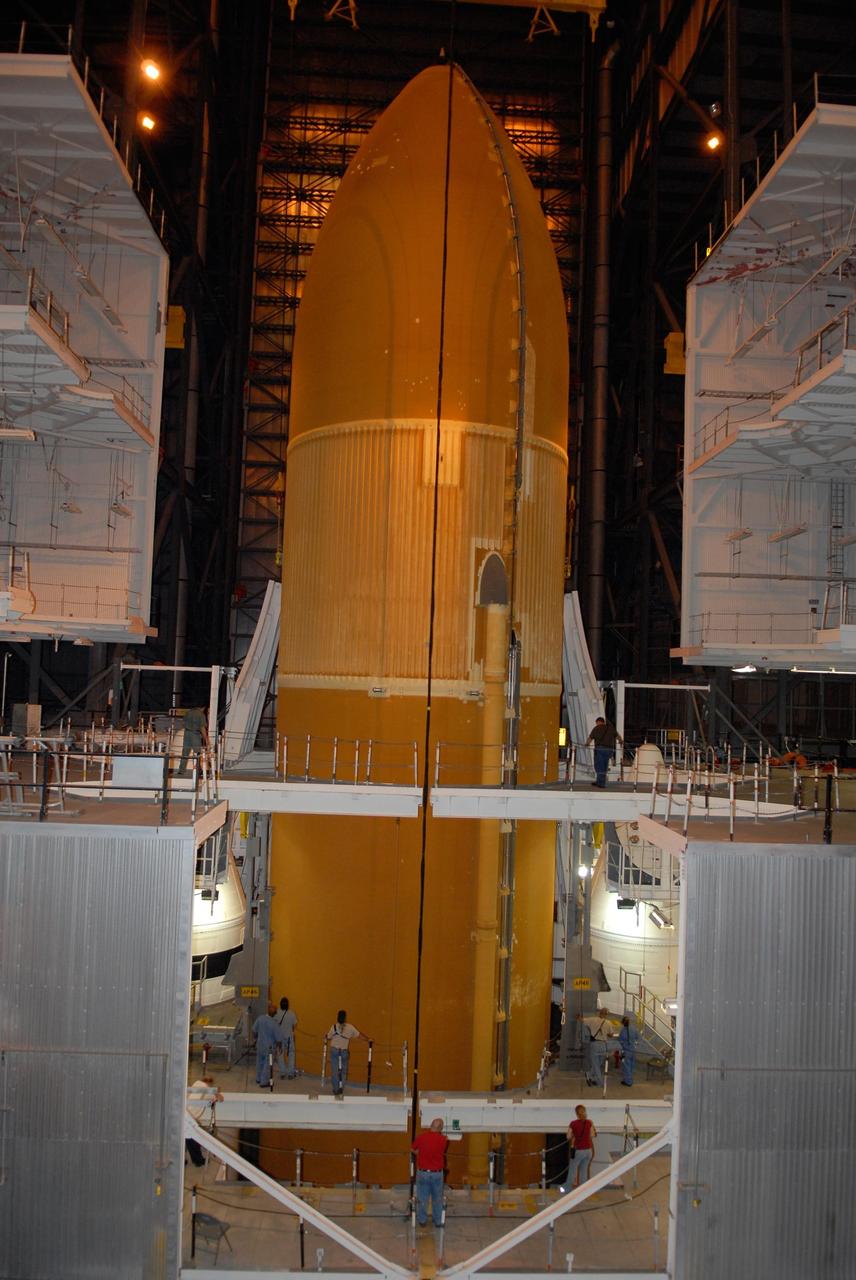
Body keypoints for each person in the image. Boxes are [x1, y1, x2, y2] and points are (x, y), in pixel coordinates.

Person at [411, 1117, 449, 1228]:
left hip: (423, 1173)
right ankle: (437, 1221)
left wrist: (419, 1153)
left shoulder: (421, 1137)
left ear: (430, 1125)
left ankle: (422, 1220)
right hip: (437, 1173)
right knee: (437, 1198)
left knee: (422, 1197)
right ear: (440, 1128)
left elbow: (412, 1149)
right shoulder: (443, 1139)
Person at [325, 1009, 367, 1096]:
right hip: (344, 1052)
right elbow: (359, 1035)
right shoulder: (350, 1027)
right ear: (345, 1018)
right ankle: (341, 1087)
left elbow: (328, 1037)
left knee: (334, 1071)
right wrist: (368, 1039)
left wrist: (325, 1037)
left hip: (334, 1051)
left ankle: (335, 1089)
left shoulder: (334, 1027)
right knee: (343, 1071)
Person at [185, 1075, 223, 1168]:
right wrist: (216, 1092)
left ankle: (182, 1161)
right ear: (209, 1083)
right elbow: (221, 1098)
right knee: (192, 1140)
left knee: (184, 1140)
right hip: (190, 1118)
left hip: (184, 1114)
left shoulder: (195, 1085)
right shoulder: (206, 1089)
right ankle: (198, 1161)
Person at [253, 1004, 287, 1087]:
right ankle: (264, 1082)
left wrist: (256, 1039)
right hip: (269, 1047)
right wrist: (279, 1048)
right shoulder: (274, 1024)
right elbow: (278, 1039)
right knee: (267, 1064)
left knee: (259, 1062)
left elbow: (254, 1030)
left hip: (260, 1045)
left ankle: (258, 1078)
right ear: (275, 1013)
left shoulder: (260, 1018)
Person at [586, 716, 622, 788]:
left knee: (599, 766)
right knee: (604, 766)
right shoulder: (610, 728)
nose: (596, 724)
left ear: (598, 722)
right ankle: (599, 781)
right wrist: (621, 741)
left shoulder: (596, 728)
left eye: (596, 723)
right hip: (609, 750)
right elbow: (618, 737)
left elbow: (590, 738)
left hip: (600, 749)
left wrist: (587, 744)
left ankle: (601, 784)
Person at [581, 1008, 614, 1086]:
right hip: (603, 1045)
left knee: (596, 1064)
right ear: (606, 1014)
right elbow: (611, 1035)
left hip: (594, 1044)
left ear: (600, 1013)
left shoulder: (593, 1020)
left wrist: (578, 1017)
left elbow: (582, 1020)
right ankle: (595, 1079)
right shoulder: (608, 1023)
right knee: (599, 1063)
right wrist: (606, 1034)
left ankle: (593, 1078)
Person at [567, 1104, 596, 1187]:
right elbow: (592, 1135)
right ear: (584, 1112)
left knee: (572, 1169)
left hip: (578, 1150)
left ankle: (568, 1188)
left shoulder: (573, 1123)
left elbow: (568, 1136)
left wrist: (574, 1135)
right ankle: (583, 1189)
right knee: (583, 1171)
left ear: (576, 1113)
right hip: (588, 1151)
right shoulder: (589, 1122)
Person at [178, 705, 209, 775]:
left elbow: (183, 723)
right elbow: (202, 728)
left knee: (185, 752)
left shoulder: (189, 712)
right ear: (203, 707)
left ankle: (181, 770)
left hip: (187, 733)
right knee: (197, 753)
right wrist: (206, 740)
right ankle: (198, 770)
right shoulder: (201, 715)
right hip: (195, 734)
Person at [276, 996, 298, 1079]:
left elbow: (274, 1024)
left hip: (279, 1038)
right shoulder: (291, 1014)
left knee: (280, 1054)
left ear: (280, 1004)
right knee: (291, 1054)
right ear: (288, 1005)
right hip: (289, 1038)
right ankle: (290, 1073)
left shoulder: (277, 1013)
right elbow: (295, 1025)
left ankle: (282, 1072)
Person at [618, 1015, 640, 1086]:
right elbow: (638, 1038)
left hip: (626, 1050)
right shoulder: (634, 1029)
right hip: (633, 1050)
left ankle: (628, 1082)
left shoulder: (623, 1031)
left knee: (626, 1066)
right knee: (631, 1065)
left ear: (623, 1023)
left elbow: (620, 1041)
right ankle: (629, 1078)